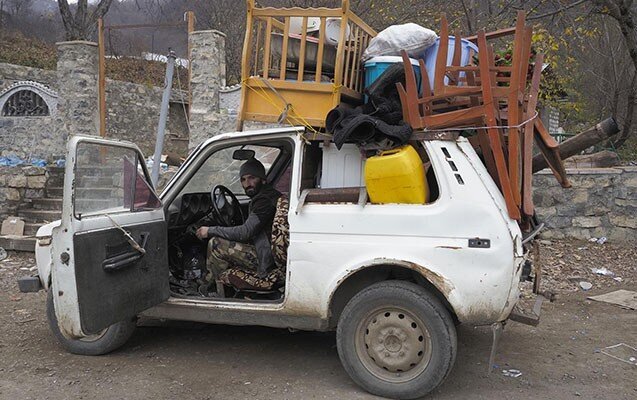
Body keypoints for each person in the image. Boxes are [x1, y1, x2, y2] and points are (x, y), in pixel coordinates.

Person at [195, 158, 281, 293]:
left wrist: (210, 230)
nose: (247, 184)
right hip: (265, 249)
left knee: (216, 244)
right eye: (243, 180)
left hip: (266, 259)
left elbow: (245, 232)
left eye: (252, 178)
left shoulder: (264, 201)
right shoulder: (266, 195)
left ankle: (210, 288)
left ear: (262, 179)